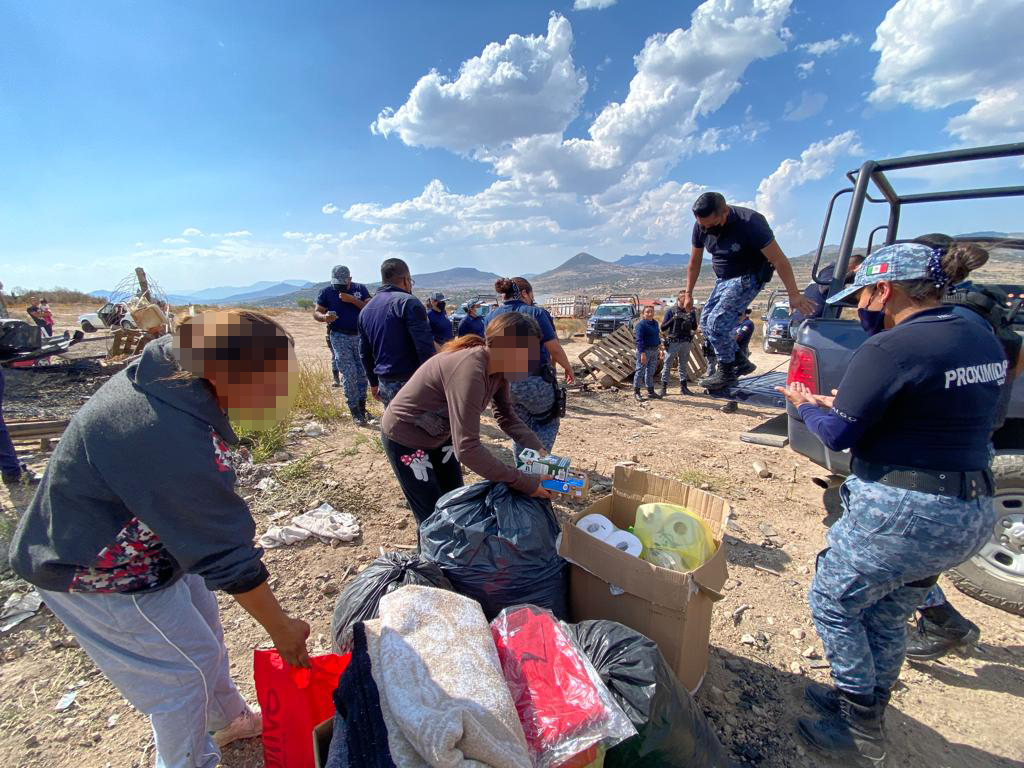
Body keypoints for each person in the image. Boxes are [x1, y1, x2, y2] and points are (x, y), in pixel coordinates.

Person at [9, 310, 312, 768]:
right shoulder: (163, 430)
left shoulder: (170, 374)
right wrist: (282, 630)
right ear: (219, 370)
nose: (273, 393)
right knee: (179, 679)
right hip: (97, 567)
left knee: (205, 637)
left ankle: (227, 720)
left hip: (155, 543)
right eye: (265, 381)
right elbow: (225, 550)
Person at [776, 241, 1004, 765]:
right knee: (888, 611)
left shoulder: (890, 349)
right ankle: (867, 703)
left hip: (905, 511)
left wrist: (807, 406)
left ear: (884, 290)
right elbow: (937, 409)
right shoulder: (975, 332)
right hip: (966, 508)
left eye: (864, 297)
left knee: (834, 602)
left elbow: (837, 434)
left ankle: (858, 728)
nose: (860, 309)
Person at [380, 312, 555, 525]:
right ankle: (431, 556)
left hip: (439, 434)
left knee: (455, 504)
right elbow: (468, 449)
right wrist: (525, 483)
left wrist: (539, 450)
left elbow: (507, 416)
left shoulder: (499, 370)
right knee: (431, 518)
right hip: (406, 437)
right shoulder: (471, 371)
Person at [684, 192, 814, 390]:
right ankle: (740, 361)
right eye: (703, 226)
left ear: (725, 212)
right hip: (723, 279)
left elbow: (779, 260)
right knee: (706, 323)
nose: (707, 230)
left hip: (749, 276)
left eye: (711, 225)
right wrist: (688, 293)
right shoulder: (701, 225)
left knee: (717, 323)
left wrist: (793, 294)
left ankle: (727, 372)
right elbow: (694, 263)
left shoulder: (751, 223)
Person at [486, 277, 574, 459]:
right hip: (535, 382)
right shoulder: (537, 313)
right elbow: (554, 348)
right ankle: (537, 468)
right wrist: (568, 368)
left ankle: (523, 468)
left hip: (506, 384)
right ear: (525, 293)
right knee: (547, 422)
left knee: (519, 426)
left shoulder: (490, 317)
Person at [358, 258, 435, 407]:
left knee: (393, 426)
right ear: (406, 280)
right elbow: (424, 348)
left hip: (385, 383)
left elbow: (364, 353)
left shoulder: (366, 310)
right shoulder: (408, 302)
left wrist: (373, 383)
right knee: (417, 428)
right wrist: (433, 382)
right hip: (412, 382)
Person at [314, 265, 372, 426]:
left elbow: (371, 308)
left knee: (362, 373)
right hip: (339, 335)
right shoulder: (326, 292)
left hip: (360, 336)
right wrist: (324, 317)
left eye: (342, 283)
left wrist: (353, 300)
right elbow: (317, 312)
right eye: (336, 283)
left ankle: (362, 407)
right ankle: (354, 410)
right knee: (349, 373)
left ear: (350, 280)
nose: (338, 286)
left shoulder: (360, 289)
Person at [659, 291, 697, 397]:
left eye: (689, 299)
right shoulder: (671, 311)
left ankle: (684, 388)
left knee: (683, 365)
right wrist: (673, 319)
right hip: (673, 342)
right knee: (667, 365)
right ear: (679, 299)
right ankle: (663, 388)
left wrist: (691, 318)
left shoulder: (691, 311)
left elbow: (694, 327)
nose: (688, 301)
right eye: (685, 298)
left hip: (685, 342)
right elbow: (663, 327)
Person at [633, 305, 662, 402]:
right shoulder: (641, 325)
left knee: (651, 371)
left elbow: (657, 336)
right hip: (644, 351)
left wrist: (660, 348)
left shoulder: (655, 323)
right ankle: (637, 392)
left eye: (651, 312)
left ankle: (651, 391)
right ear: (643, 314)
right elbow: (639, 340)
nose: (650, 314)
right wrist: (642, 353)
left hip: (654, 350)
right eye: (647, 312)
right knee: (640, 371)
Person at [734, 308, 755, 375]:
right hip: (733, 351)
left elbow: (739, 337)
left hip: (740, 350)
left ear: (744, 314)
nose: (738, 316)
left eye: (739, 314)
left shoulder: (748, 323)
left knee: (735, 371)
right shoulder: (736, 323)